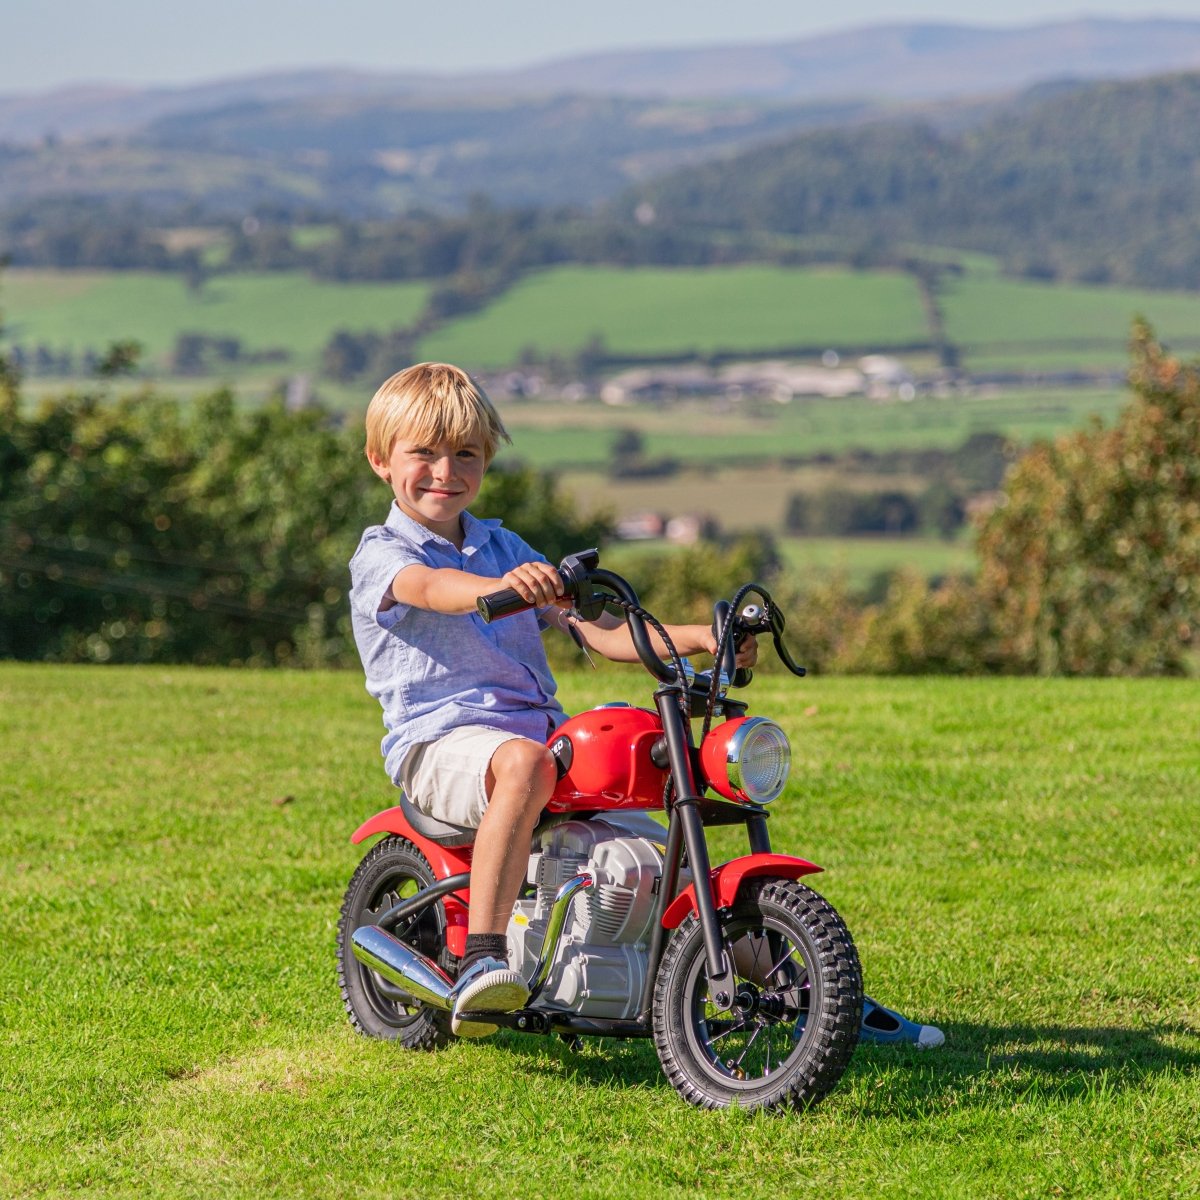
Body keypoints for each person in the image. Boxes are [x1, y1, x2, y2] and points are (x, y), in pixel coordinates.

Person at [348, 361, 943, 1048]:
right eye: (423, 453)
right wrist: (497, 589)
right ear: (381, 462)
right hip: (442, 744)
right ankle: (482, 958)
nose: (444, 470)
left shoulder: (503, 544)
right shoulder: (382, 553)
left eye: (465, 454)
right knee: (523, 764)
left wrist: (701, 637)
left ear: (486, 459)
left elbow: (596, 626)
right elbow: (428, 587)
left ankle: (812, 993)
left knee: (658, 827)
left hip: (538, 740)